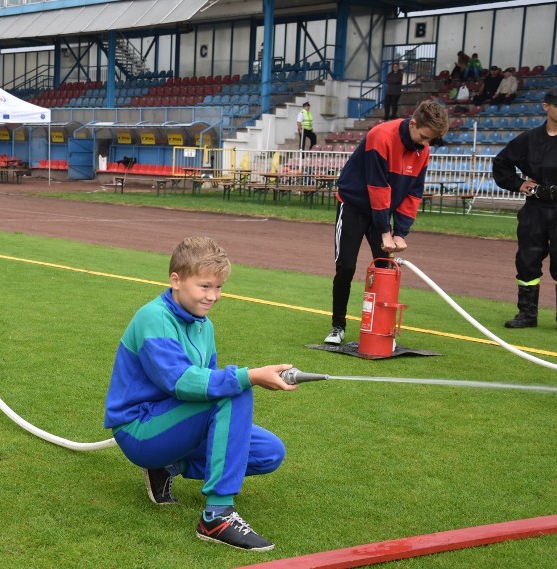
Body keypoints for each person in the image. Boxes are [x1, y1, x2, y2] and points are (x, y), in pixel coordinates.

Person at [104, 236, 297, 551]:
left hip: (173, 425)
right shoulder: (153, 317)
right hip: (139, 430)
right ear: (175, 280)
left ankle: (167, 468)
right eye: (205, 286)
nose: (213, 296)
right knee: (236, 390)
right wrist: (251, 376)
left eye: (219, 288)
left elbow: (208, 384)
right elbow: (180, 381)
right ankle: (216, 516)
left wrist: (244, 379)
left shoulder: (203, 325)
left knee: (269, 452)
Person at [324, 100, 449, 345]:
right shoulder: (381, 136)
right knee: (346, 267)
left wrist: (401, 232)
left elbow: (413, 193)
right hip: (354, 205)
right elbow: (377, 186)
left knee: (386, 270)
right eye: (424, 137)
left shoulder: (423, 151)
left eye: (431, 141)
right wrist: (385, 231)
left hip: (381, 210)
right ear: (413, 124)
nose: (425, 145)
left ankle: (383, 329)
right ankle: (338, 326)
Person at [492, 86, 557, 333]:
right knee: (528, 259)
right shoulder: (528, 139)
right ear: (546, 107)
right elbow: (501, 165)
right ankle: (527, 314)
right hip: (535, 208)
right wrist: (519, 184)